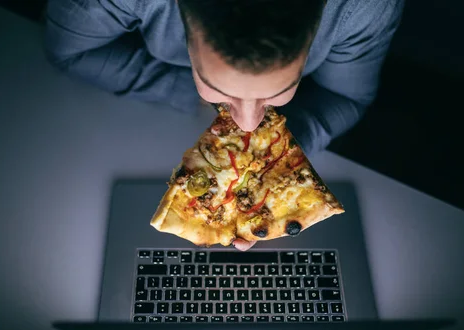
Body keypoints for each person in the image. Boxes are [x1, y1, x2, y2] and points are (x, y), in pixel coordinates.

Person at [45, 0, 403, 250]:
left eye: (279, 92)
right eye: (218, 90)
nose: (248, 123)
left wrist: (280, 161)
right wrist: (192, 96)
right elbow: (71, 51)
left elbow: (348, 97)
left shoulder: (364, 7)